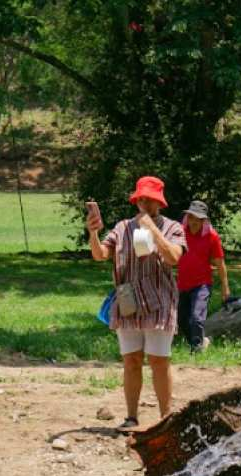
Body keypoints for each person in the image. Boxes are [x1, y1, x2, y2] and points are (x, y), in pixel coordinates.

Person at [86, 176, 186, 430]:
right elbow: (100, 255)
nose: (144, 203)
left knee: (159, 361)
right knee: (131, 360)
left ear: (159, 203)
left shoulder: (173, 227)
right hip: (128, 301)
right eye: (141, 198)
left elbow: (174, 257)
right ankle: (131, 417)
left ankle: (166, 418)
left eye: (150, 200)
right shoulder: (122, 228)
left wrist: (151, 228)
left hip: (159, 302)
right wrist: (94, 232)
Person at [175, 199, 229, 352]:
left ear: (204, 220)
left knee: (197, 317)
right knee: (181, 318)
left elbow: (220, 263)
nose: (194, 222)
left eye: (199, 219)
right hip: (183, 283)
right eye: (191, 217)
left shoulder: (212, 236)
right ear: (187, 217)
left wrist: (225, 287)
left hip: (202, 283)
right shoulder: (179, 231)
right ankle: (197, 341)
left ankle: (197, 349)